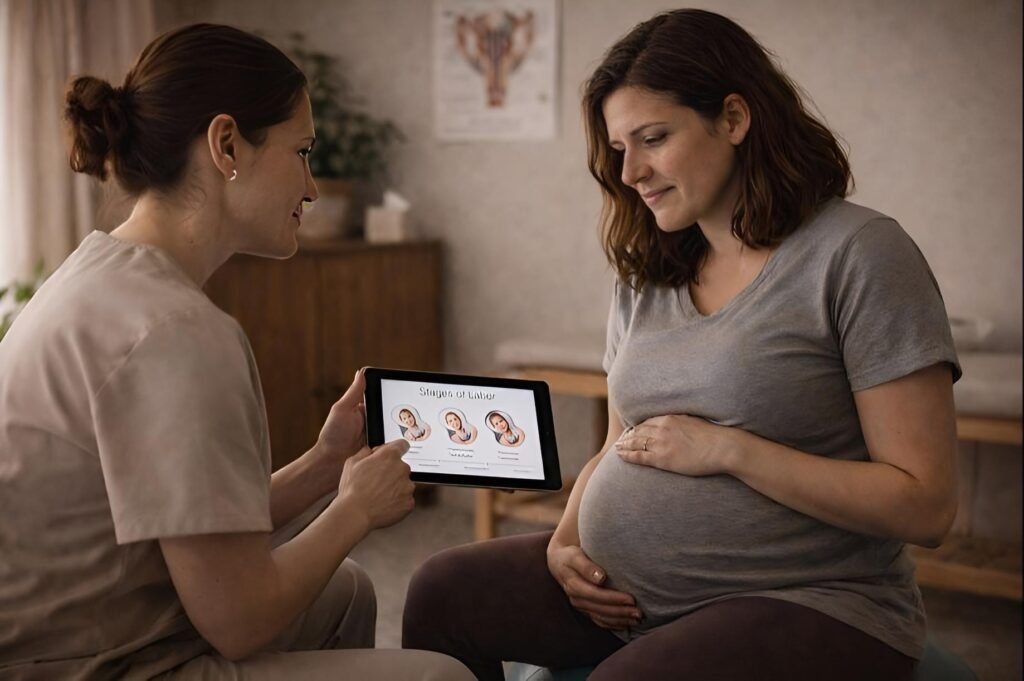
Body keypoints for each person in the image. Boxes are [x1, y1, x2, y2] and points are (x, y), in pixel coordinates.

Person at [403, 9, 959, 681]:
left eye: (654, 138)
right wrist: (564, 540)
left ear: (733, 118)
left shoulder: (860, 255)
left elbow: (926, 504)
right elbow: (619, 440)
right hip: (631, 600)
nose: (630, 170)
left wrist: (730, 450)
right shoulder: (648, 270)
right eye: (619, 147)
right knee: (441, 592)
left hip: (816, 600)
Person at [0, 23, 473, 681]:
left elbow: (199, 527)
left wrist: (325, 465)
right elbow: (241, 619)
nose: (312, 188)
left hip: (79, 628)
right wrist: (355, 510)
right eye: (301, 153)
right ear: (226, 145)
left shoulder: (99, 272)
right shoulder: (177, 332)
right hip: (92, 667)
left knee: (349, 590)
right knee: (442, 676)